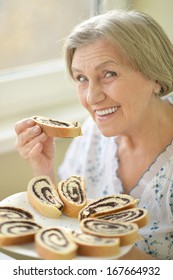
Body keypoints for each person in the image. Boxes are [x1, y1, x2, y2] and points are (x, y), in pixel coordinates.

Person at [15, 10, 173, 260]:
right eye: (81, 78)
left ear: (154, 76)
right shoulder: (93, 132)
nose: (91, 97)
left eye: (109, 74)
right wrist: (43, 171)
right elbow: (69, 219)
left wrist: (109, 250)